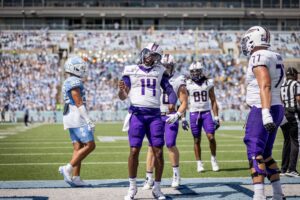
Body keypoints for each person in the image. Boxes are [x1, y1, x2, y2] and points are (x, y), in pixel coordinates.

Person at [118, 43, 177, 200]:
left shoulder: (159, 71)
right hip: (137, 114)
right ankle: (132, 187)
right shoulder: (131, 70)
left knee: (158, 151)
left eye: (154, 56)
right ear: (143, 53)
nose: (150, 57)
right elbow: (123, 96)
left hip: (154, 116)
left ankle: (157, 188)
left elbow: (169, 89)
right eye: (149, 54)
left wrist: (172, 101)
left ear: (158, 59)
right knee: (134, 151)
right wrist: (122, 90)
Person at [241, 26, 285, 200]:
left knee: (254, 153)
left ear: (253, 39)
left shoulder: (258, 56)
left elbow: (265, 85)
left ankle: (258, 196)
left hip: (262, 108)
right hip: (275, 106)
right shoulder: (276, 56)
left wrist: (265, 113)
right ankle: (278, 194)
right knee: (266, 154)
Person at [142, 54, 188, 189]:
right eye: (164, 66)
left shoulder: (178, 79)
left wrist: (178, 114)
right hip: (155, 115)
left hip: (170, 116)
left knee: (170, 144)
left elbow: (184, 102)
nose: (166, 68)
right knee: (151, 146)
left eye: (168, 66)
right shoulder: (155, 75)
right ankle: (149, 177)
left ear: (173, 66)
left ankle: (176, 174)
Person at [58, 56, 96, 187]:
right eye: (82, 67)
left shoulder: (70, 80)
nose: (84, 70)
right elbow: (78, 101)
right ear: (75, 68)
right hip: (76, 115)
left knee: (78, 147)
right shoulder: (74, 81)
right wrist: (88, 119)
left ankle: (76, 177)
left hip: (70, 115)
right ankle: (67, 168)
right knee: (90, 145)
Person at [185, 61, 220, 173]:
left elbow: (213, 100)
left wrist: (216, 117)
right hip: (194, 113)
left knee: (211, 137)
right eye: (192, 72)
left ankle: (213, 159)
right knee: (196, 139)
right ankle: (199, 163)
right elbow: (183, 101)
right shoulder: (187, 84)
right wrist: (182, 118)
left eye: (197, 71)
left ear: (201, 71)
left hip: (206, 113)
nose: (194, 73)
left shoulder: (208, 82)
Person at [280, 67, 300, 177]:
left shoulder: (283, 85)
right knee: (295, 141)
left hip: (284, 114)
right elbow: (298, 98)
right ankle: (292, 169)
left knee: (287, 141)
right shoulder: (296, 84)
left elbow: (282, 100)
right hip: (293, 113)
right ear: (294, 74)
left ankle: (283, 168)